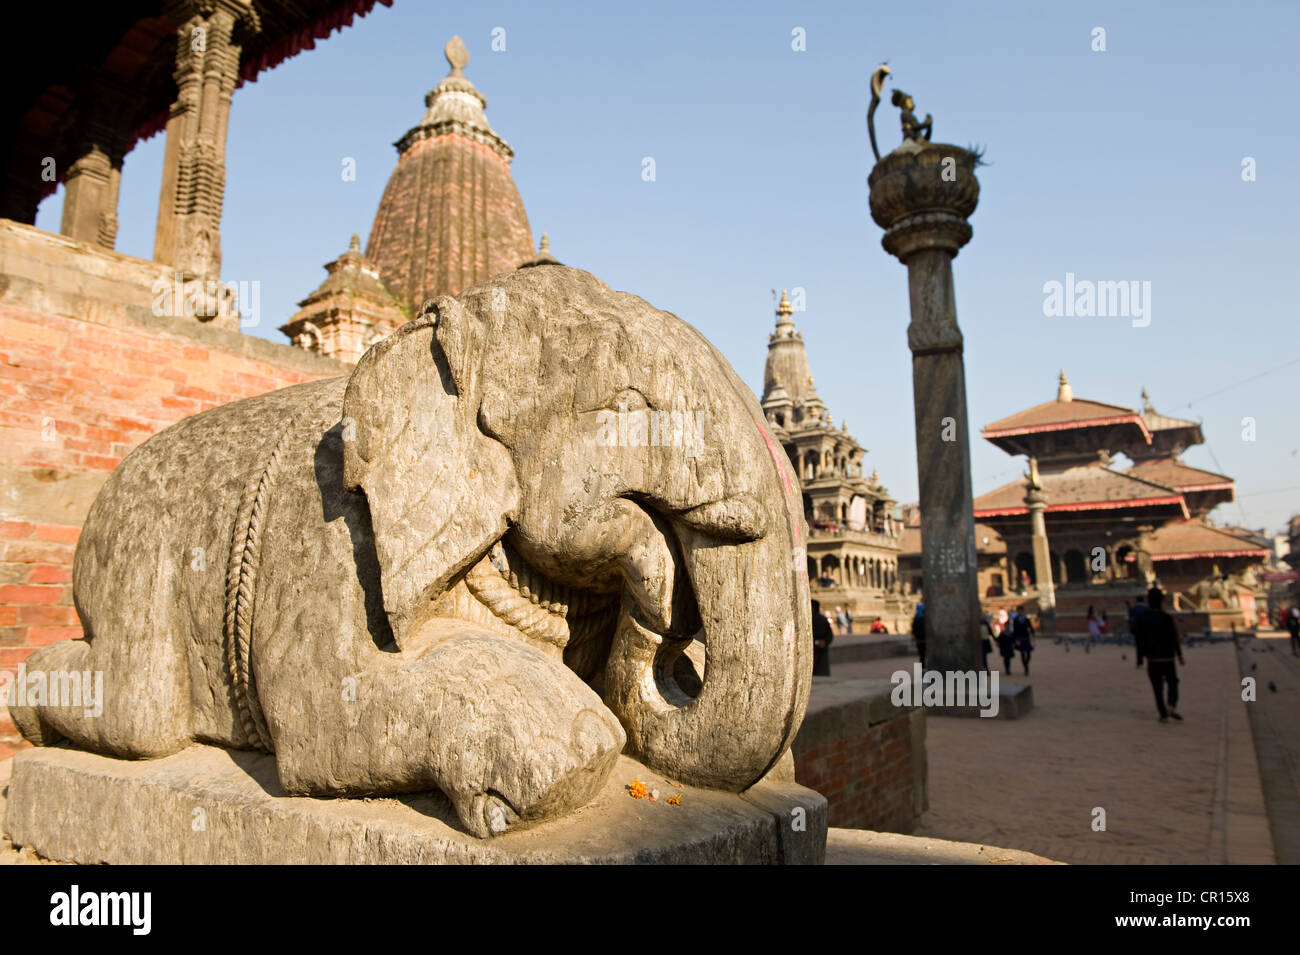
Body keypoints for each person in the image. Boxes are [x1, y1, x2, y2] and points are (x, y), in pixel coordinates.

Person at [1133, 587, 1185, 722]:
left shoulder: (1143, 619)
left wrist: (1142, 654)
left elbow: (1139, 637)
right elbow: (1175, 637)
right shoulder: (1168, 618)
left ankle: (1163, 713)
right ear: (1161, 601)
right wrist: (1179, 655)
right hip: (1168, 657)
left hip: (1153, 658)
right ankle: (1171, 705)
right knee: (1172, 682)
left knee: (1157, 687)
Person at [811, 598, 834, 676]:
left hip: (818, 648)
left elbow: (829, 634)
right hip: (818, 646)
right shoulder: (823, 619)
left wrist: (824, 642)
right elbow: (830, 635)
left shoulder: (819, 619)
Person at [1013, 607, 1034, 675]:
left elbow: (1030, 627)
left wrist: (1033, 634)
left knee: (1028, 654)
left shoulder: (1026, 619)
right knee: (1022, 653)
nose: (1021, 612)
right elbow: (1015, 630)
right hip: (1020, 638)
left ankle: (1026, 663)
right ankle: (1026, 668)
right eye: (1019, 611)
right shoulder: (1016, 620)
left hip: (1026, 637)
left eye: (1022, 611)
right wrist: (1015, 639)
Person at [911, 603, 926, 668]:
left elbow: (913, 629)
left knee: (921, 653)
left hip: (918, 639)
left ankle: (922, 666)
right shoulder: (925, 618)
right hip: (925, 639)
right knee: (925, 653)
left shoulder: (915, 618)